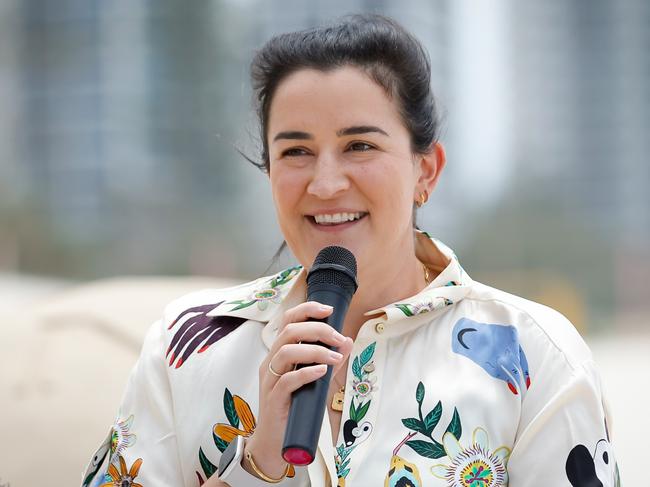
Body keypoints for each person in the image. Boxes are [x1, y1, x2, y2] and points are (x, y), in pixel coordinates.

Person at [81, 14, 620, 487]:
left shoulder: (536, 357)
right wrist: (260, 466)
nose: (325, 183)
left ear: (425, 170)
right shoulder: (186, 348)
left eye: (359, 145)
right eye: (296, 151)